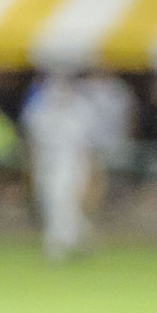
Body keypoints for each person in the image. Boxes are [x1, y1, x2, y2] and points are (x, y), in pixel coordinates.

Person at [20, 73, 102, 262]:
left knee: (62, 200)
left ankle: (57, 245)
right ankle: (80, 235)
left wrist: (89, 172)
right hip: (46, 161)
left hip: (71, 162)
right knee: (50, 202)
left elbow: (86, 145)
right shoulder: (41, 109)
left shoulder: (81, 110)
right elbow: (31, 137)